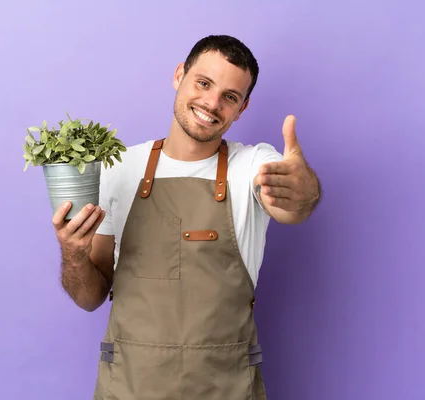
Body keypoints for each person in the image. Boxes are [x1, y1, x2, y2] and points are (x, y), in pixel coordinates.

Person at [52, 35, 321, 400]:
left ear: (242, 108)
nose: (212, 103)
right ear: (180, 75)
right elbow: (90, 296)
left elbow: (293, 205)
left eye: (230, 97)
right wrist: (73, 253)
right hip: (130, 386)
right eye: (204, 83)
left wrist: (302, 189)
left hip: (224, 388)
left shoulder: (253, 165)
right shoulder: (119, 168)